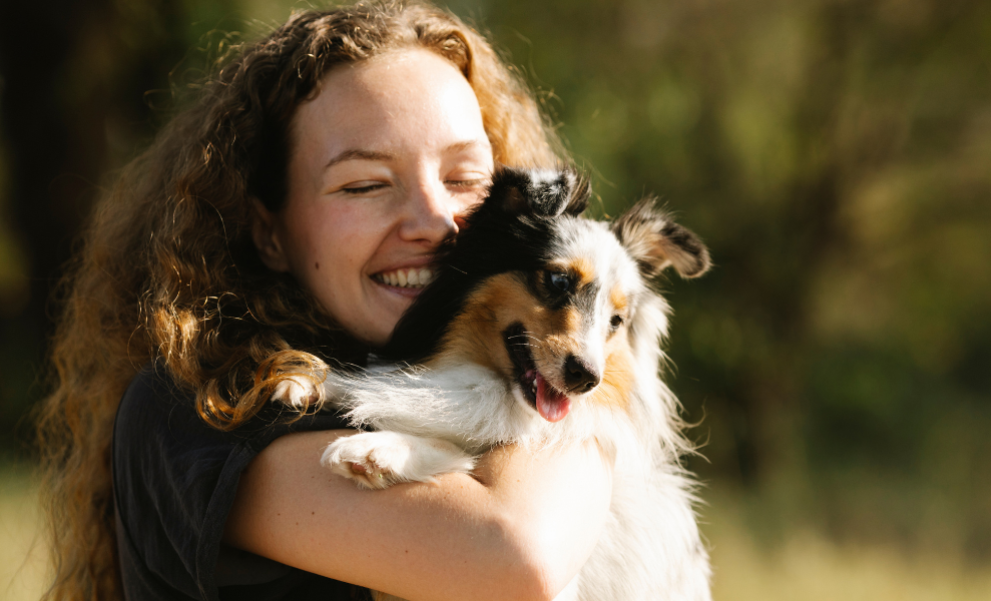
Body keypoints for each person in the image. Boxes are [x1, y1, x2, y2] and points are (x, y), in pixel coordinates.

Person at [35, 3, 613, 601]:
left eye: (465, 179)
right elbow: (515, 554)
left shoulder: (494, 368)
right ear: (269, 231)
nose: (435, 222)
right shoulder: (200, 411)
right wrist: (593, 361)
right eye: (364, 185)